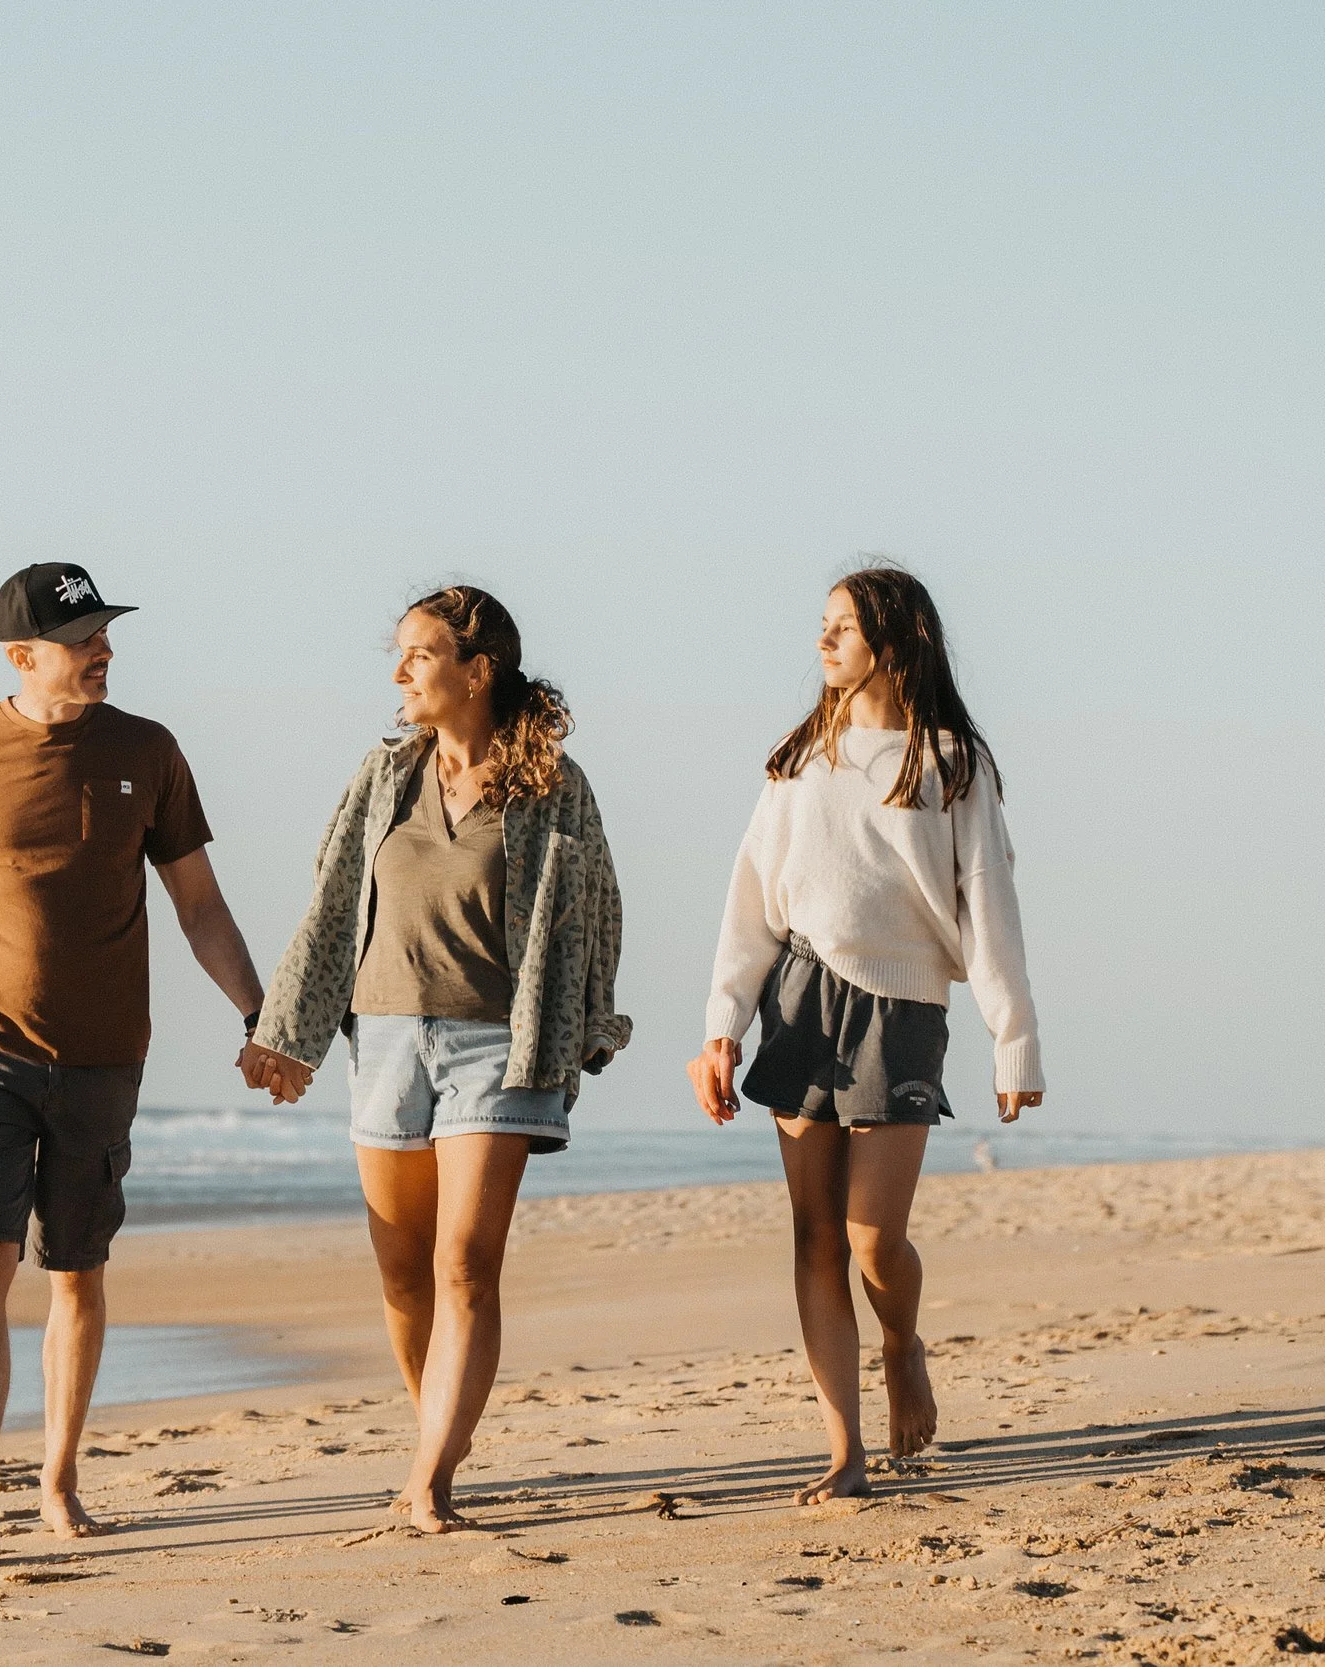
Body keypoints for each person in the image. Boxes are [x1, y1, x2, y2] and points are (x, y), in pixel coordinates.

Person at [0, 563, 271, 1568]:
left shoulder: (147, 750)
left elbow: (198, 902)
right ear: (21, 655)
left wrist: (258, 1011)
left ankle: (63, 1480)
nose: (103, 648)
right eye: (82, 636)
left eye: (104, 631)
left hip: (104, 1053)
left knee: (76, 1269)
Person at [244, 585, 629, 1533]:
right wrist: (286, 1031)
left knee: (464, 1264)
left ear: (476, 669)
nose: (400, 672)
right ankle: (438, 1437)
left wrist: (588, 1026)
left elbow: (600, 910)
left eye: (419, 655)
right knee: (403, 1273)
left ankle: (429, 1477)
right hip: (382, 1036)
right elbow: (333, 901)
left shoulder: (552, 785)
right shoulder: (384, 777)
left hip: (499, 1043)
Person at [685, 567, 1046, 1504]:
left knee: (874, 1236)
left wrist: (1015, 1038)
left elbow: (991, 907)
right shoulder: (803, 759)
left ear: (894, 639)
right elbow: (750, 907)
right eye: (822, 625)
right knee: (814, 1239)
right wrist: (721, 1026)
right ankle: (843, 1450)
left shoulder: (953, 762)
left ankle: (901, 1342)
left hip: (905, 1010)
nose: (824, 641)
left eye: (842, 626)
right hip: (799, 998)